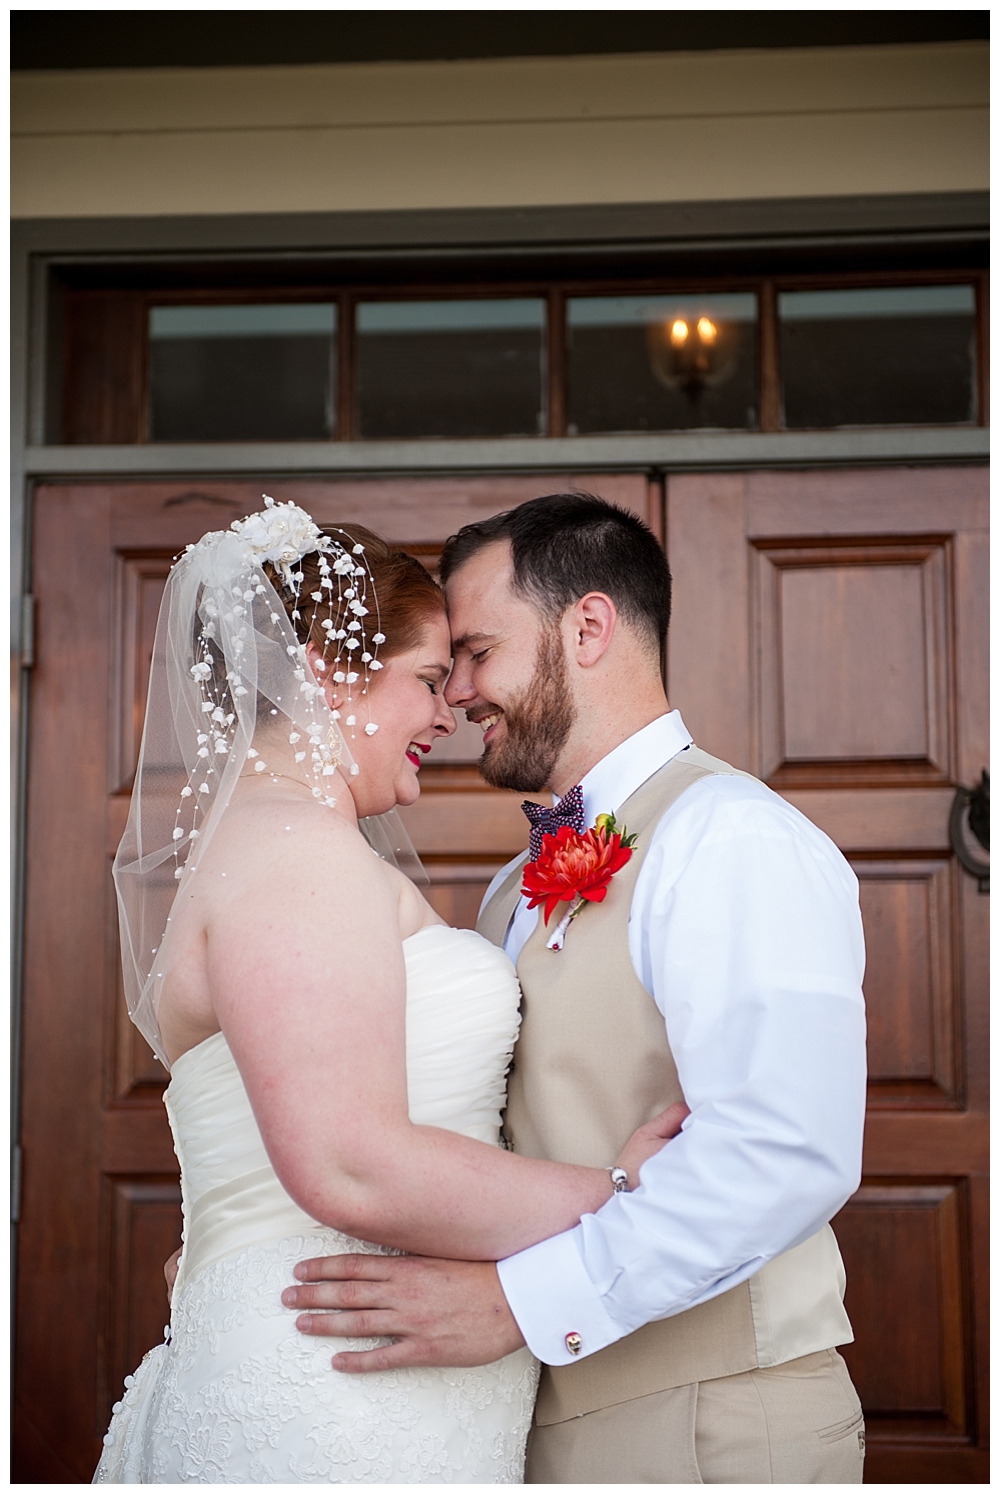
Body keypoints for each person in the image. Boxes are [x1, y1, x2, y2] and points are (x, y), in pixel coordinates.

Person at [96, 498, 684, 1484]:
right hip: (334, 1393)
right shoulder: (298, 856)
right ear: (327, 672)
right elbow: (352, 1165)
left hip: (358, 1370)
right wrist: (619, 1195)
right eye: (423, 678)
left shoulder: (277, 847)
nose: (447, 710)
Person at [285, 492, 869, 1484]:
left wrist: (518, 1302)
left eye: (474, 651)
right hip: (530, 1415)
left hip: (709, 1422)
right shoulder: (516, 884)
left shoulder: (731, 836)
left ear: (586, 626)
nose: (453, 694)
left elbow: (783, 1151)